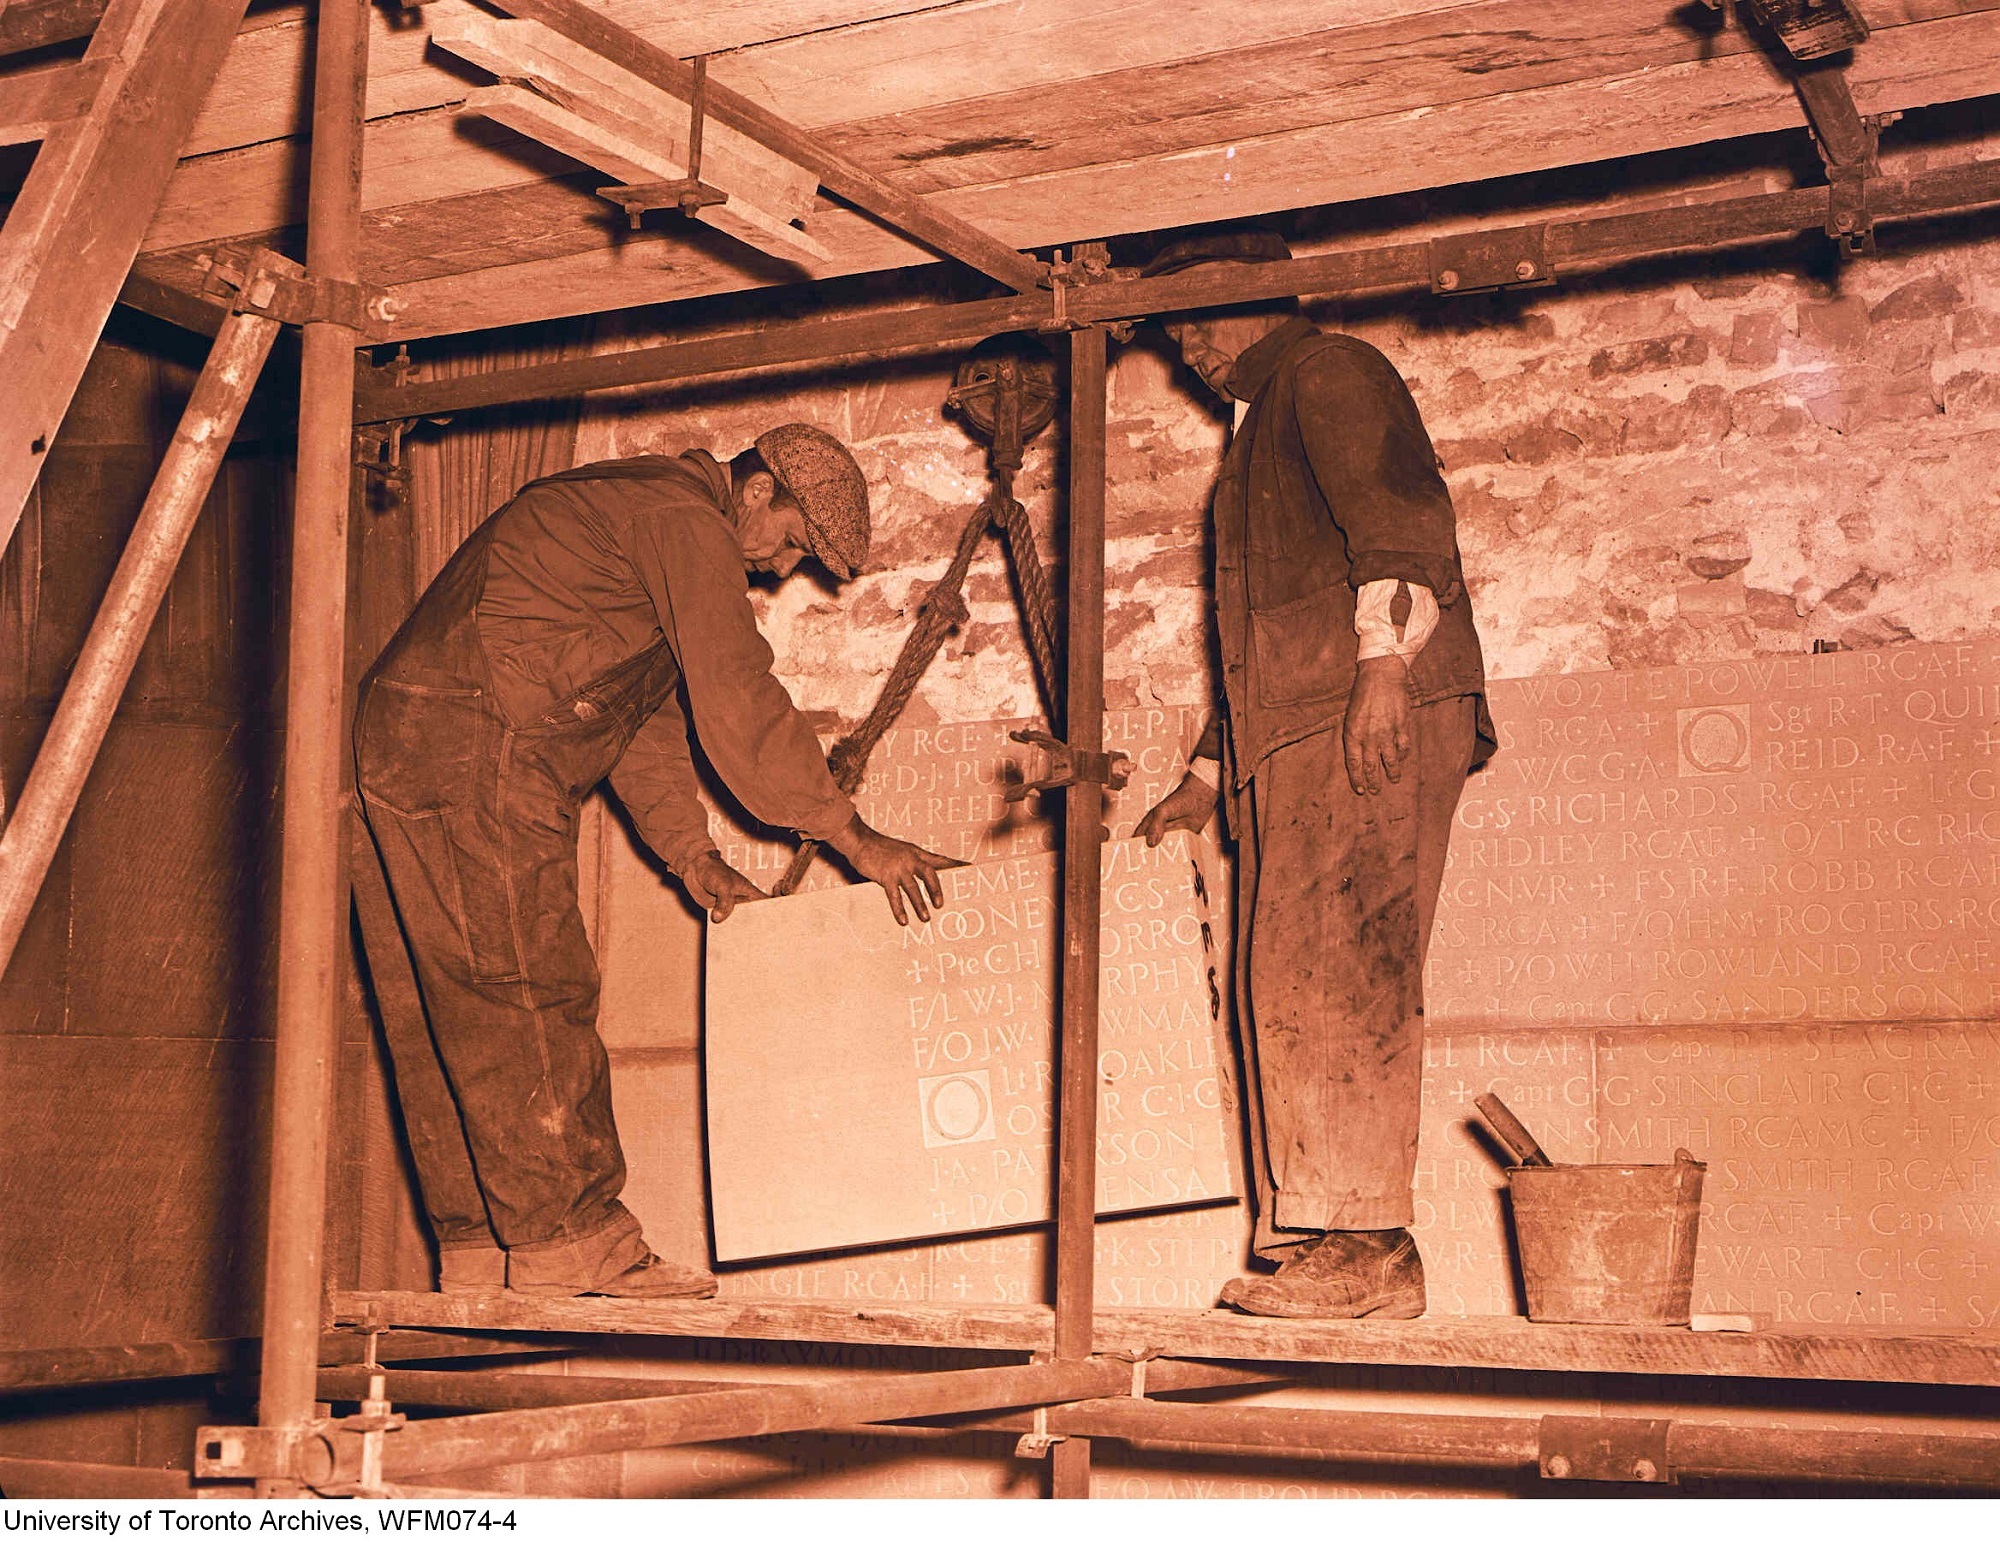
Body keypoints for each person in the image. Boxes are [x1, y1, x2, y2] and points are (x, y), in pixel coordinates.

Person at [351, 424, 954, 1299]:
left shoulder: (635, 512)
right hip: (481, 742)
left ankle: (485, 1253)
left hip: (408, 738)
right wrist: (852, 836)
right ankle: (579, 1244)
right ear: (755, 490)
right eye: (791, 543)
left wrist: (690, 855)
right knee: (531, 984)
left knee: (446, 1008)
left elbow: (638, 715)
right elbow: (735, 690)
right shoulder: (683, 520)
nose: (784, 569)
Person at [1133, 230, 1495, 1318]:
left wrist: (1383, 662)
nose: (1181, 343)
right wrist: (1204, 770)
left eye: (1192, 313)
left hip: (1363, 710)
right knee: (1291, 974)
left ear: (1248, 294)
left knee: (1345, 967)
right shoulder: (1255, 431)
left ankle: (1370, 1246)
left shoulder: (1326, 370)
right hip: (1299, 730)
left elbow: (1400, 523)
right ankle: (1337, 1235)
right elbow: (1265, 632)